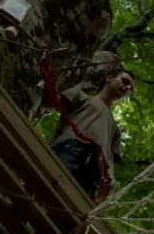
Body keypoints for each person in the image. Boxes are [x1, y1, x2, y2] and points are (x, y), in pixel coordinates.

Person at [50, 69, 134, 199]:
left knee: (75, 201)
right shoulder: (81, 96)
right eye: (125, 81)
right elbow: (50, 101)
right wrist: (53, 67)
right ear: (109, 78)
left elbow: (110, 159)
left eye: (130, 88)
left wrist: (110, 178)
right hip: (71, 147)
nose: (127, 87)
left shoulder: (115, 130)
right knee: (55, 184)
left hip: (96, 168)